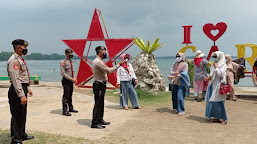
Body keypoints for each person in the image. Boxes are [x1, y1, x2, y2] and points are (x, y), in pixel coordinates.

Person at [7, 39, 34, 144]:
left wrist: (27, 88)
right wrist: (21, 95)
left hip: (22, 88)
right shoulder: (14, 60)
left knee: (22, 114)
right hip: (16, 90)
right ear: (18, 48)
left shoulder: (20, 59)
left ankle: (22, 135)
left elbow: (23, 76)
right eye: (24, 48)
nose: (26, 50)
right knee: (17, 115)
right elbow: (15, 79)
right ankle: (16, 140)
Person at [91, 46, 124, 129]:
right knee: (98, 104)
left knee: (101, 104)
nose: (105, 53)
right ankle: (95, 123)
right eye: (104, 52)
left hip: (101, 84)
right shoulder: (98, 62)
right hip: (98, 85)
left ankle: (100, 119)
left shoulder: (100, 61)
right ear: (100, 52)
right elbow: (109, 70)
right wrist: (118, 65)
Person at [205, 51, 228, 125]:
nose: (214, 58)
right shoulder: (214, 64)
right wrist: (208, 77)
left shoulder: (223, 65)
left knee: (219, 101)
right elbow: (212, 73)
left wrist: (216, 68)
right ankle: (216, 117)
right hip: (212, 84)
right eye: (213, 56)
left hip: (219, 85)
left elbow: (220, 74)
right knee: (213, 101)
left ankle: (223, 118)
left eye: (215, 56)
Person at [60, 49, 78, 116]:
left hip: (71, 80)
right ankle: (64, 110)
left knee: (70, 95)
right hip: (66, 80)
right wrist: (71, 79)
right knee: (66, 96)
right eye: (69, 53)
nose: (71, 54)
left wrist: (74, 78)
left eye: (72, 53)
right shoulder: (63, 62)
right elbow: (63, 73)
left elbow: (72, 71)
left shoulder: (70, 61)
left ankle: (71, 108)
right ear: (66, 53)